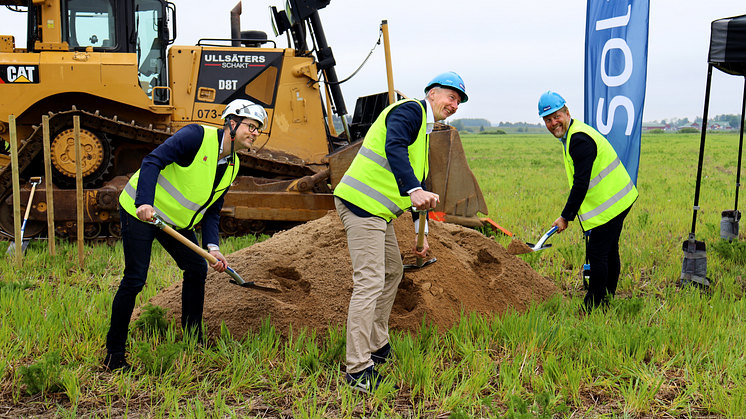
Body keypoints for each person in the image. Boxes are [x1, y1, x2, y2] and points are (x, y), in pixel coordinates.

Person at [103, 99, 267, 371]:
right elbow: (152, 161)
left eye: (258, 129)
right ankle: (114, 355)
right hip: (142, 212)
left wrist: (212, 247)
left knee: (196, 269)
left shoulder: (232, 165)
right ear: (232, 123)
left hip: (175, 223)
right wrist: (144, 201)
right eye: (251, 126)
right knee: (135, 279)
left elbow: (212, 211)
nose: (255, 133)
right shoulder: (196, 136)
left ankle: (193, 340)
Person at [333, 71, 468, 392]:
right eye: (451, 97)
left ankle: (377, 344)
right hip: (360, 205)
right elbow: (393, 146)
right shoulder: (409, 111)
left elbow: (419, 199)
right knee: (369, 281)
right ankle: (357, 368)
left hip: (378, 213)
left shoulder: (423, 134)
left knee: (393, 271)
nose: (454, 105)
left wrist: (421, 241)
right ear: (433, 93)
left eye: (459, 102)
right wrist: (412, 188)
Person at [538, 91, 638, 312]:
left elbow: (580, 184)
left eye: (556, 116)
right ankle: (607, 298)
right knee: (609, 250)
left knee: (598, 253)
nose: (553, 123)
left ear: (567, 113)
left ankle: (593, 305)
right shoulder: (573, 134)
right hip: (618, 198)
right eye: (548, 119)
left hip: (612, 202)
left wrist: (565, 217)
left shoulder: (579, 140)